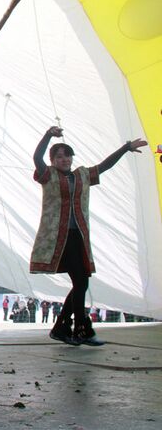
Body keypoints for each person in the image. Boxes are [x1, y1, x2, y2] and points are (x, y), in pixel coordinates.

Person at [29, 126, 147, 346]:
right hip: (58, 237)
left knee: (81, 283)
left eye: (67, 155)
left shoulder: (82, 175)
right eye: (59, 156)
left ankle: (63, 328)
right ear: (53, 160)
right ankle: (79, 329)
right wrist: (47, 135)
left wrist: (126, 147)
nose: (64, 159)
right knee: (80, 281)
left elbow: (104, 166)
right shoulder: (48, 175)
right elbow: (36, 156)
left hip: (78, 236)